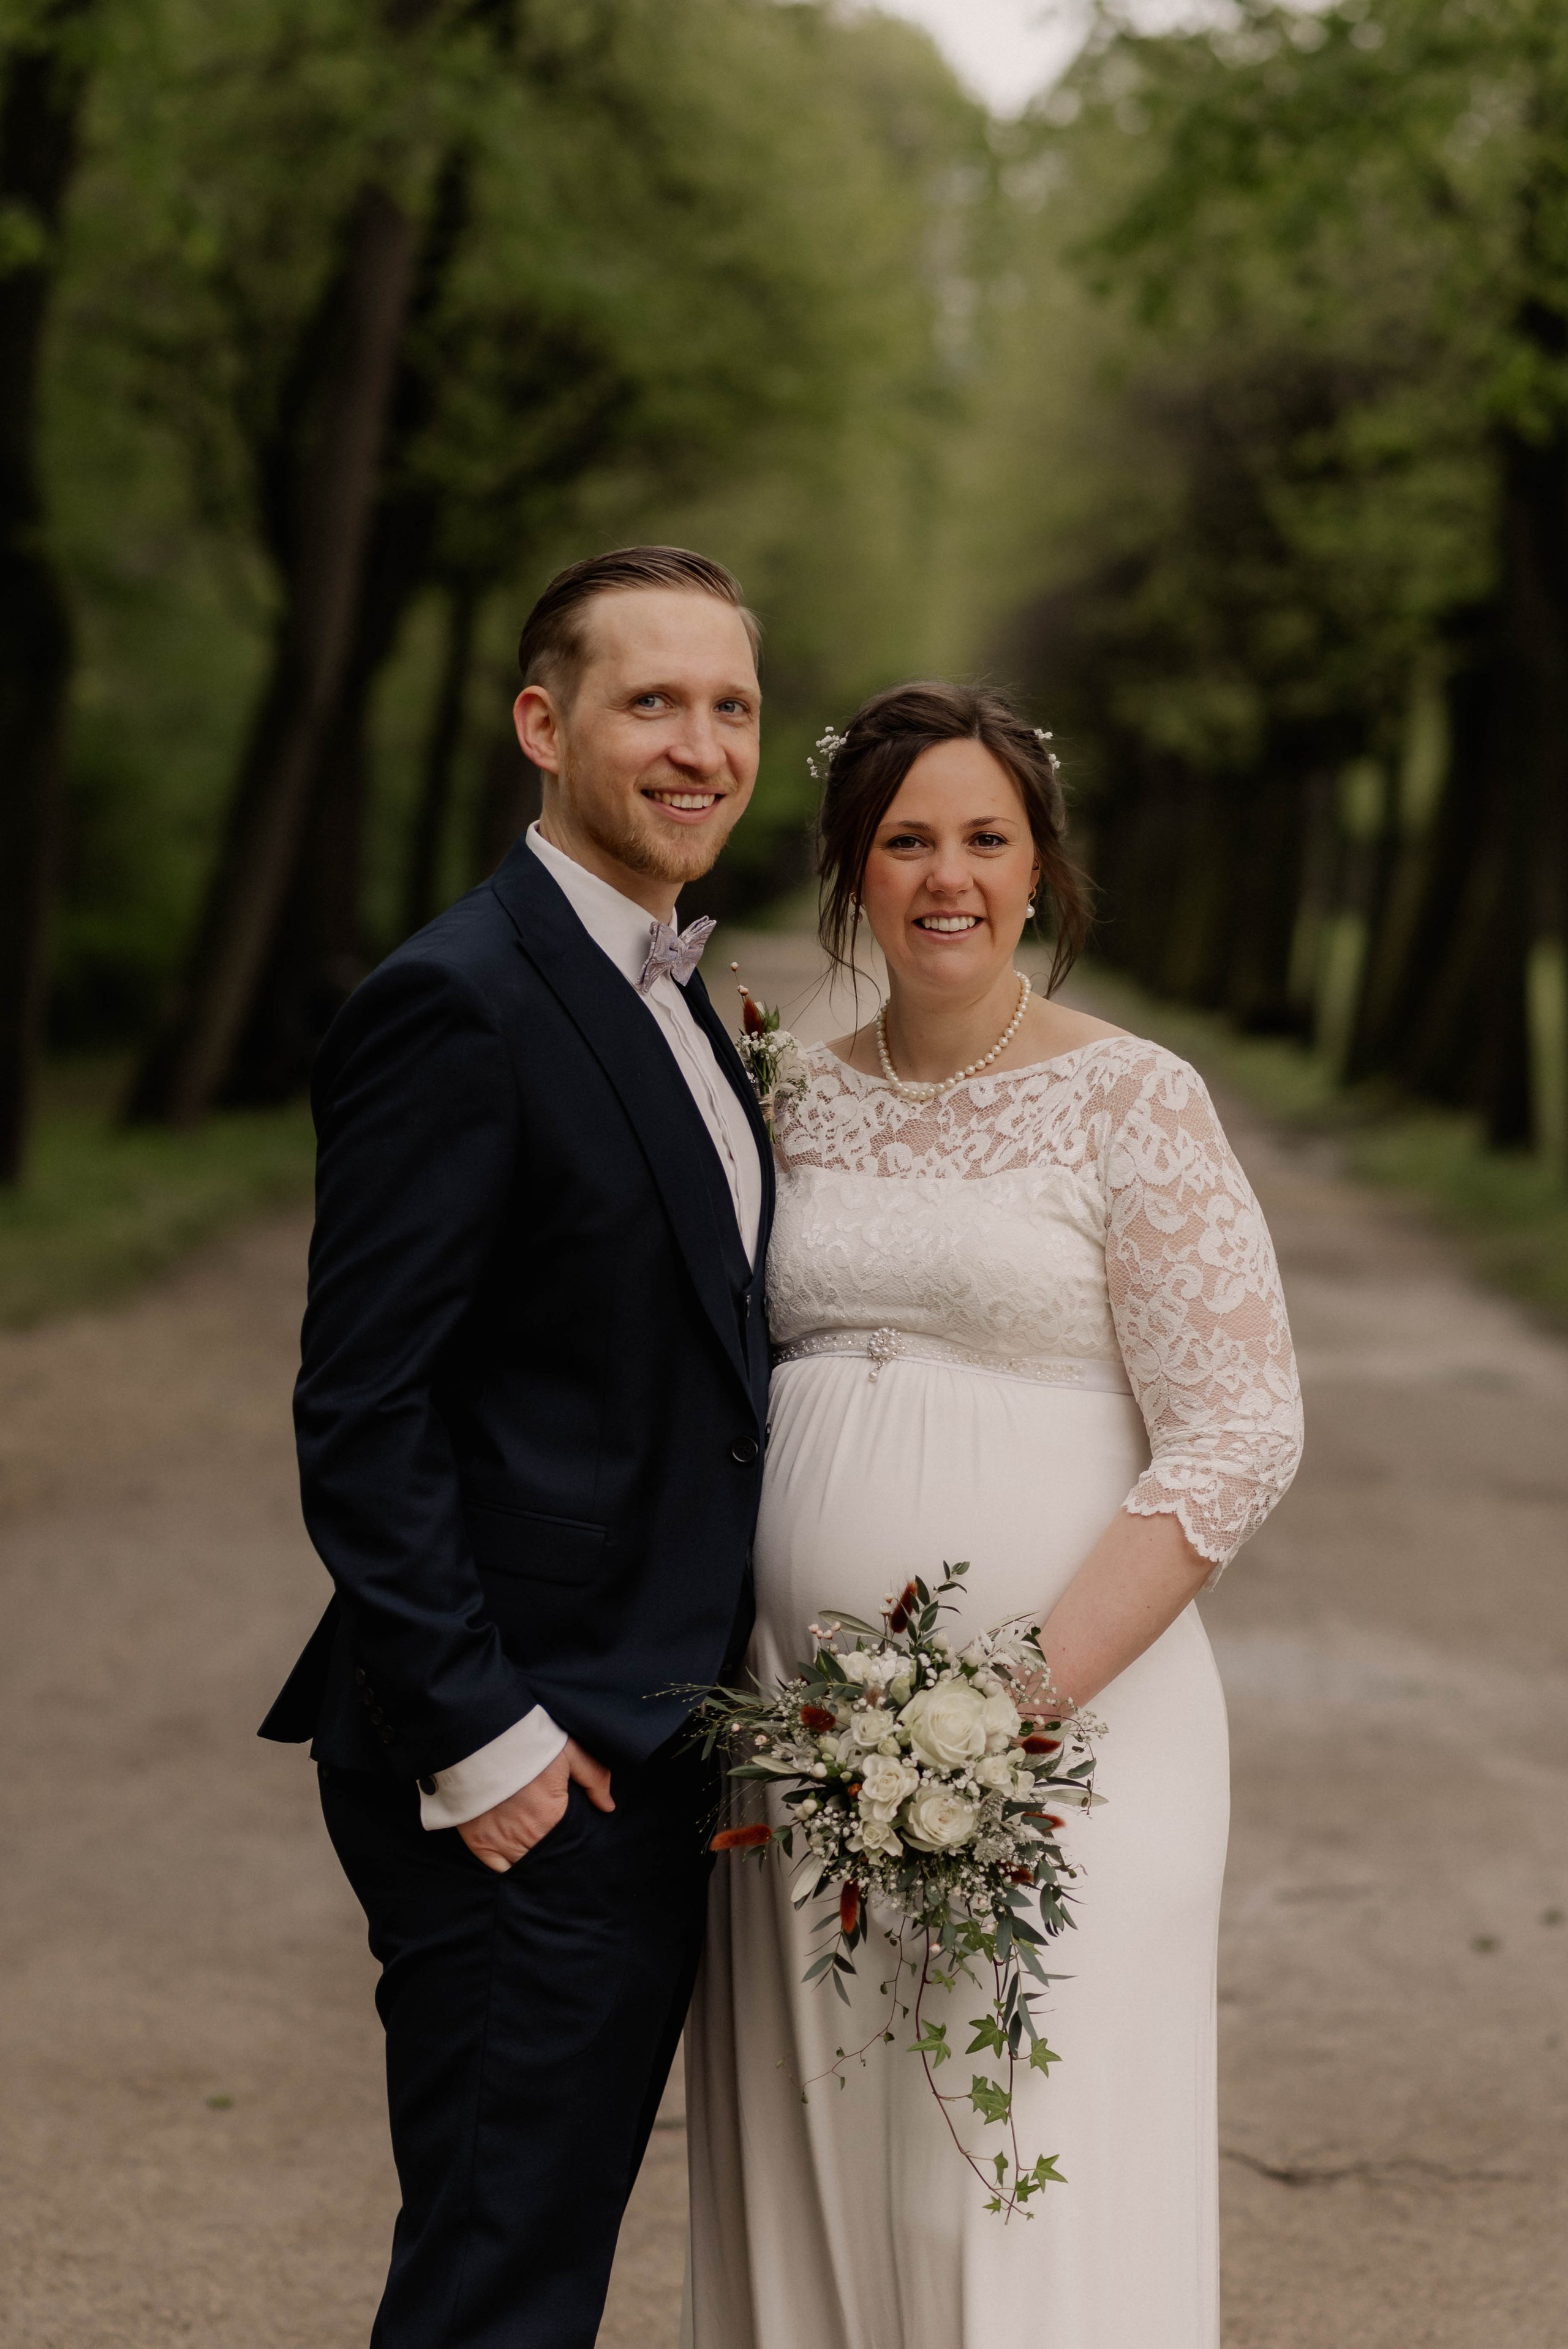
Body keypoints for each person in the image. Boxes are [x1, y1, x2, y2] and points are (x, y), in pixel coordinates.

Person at [684, 681, 1304, 2349]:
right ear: (851, 870)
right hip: (807, 1739)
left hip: (1071, 1743)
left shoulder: (1137, 1101)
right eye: (905, 840)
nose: (945, 875)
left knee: (1013, 2163)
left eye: (985, 837)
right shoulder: (789, 1097)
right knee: (831, 2159)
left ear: (1041, 870)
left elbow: (1243, 1426)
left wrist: (1003, 1709)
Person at [259, 545, 774, 2348]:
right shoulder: (458, 997)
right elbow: (362, 1403)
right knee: (498, 2288)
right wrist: (493, 1746)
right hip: (523, 1760)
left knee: (528, 2269)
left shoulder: (664, 985)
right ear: (544, 725)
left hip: (637, 1738)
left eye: (730, 706)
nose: (699, 744)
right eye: (653, 701)